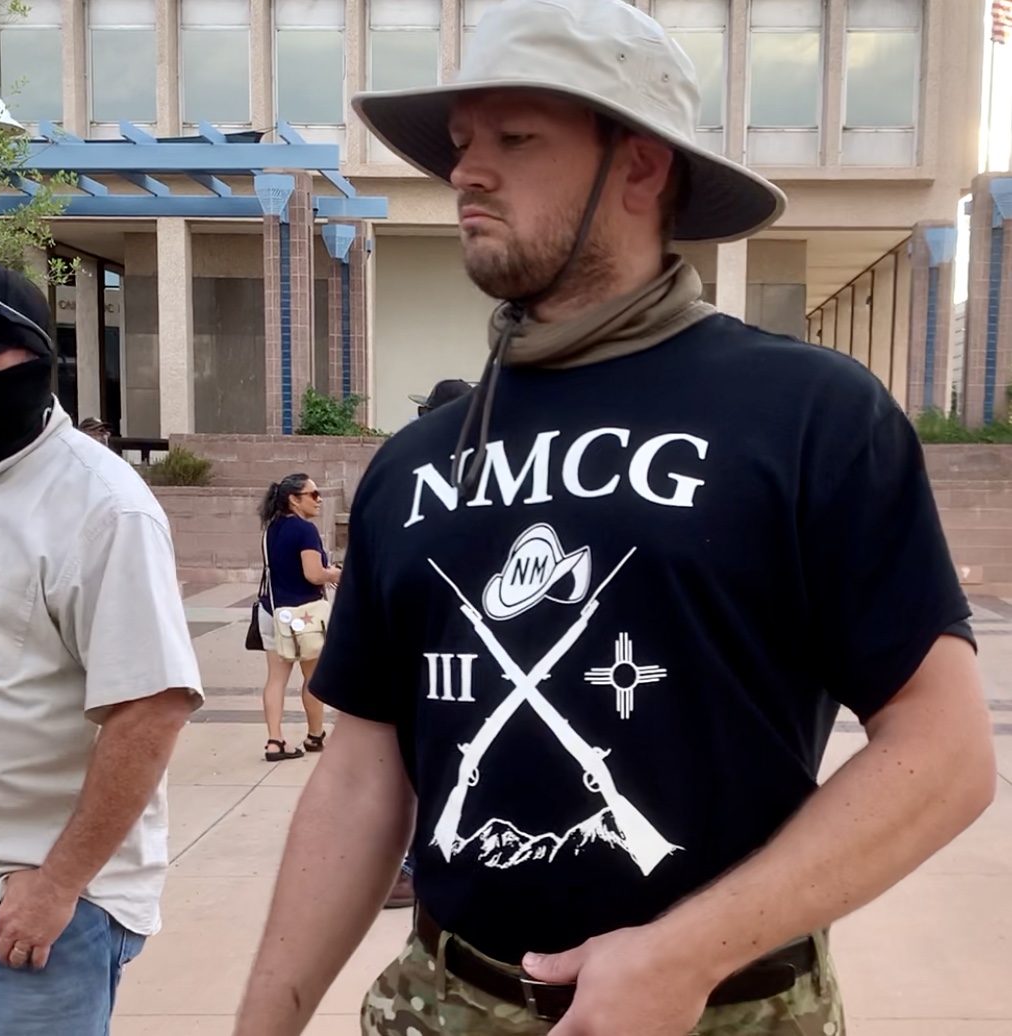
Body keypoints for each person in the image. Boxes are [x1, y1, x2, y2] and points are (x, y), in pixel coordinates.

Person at [233, 2, 997, 1035]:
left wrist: (687, 948)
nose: (467, 172)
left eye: (515, 138)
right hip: (442, 1004)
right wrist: (261, 1023)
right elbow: (362, 777)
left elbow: (943, 752)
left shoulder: (808, 414)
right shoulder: (416, 461)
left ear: (639, 169)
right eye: (461, 144)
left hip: (723, 1012)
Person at [0, 261, 203, 1035]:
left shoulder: (103, 506)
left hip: (31, 905)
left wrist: (58, 882)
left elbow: (151, 708)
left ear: (39, 361)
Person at [387, 377, 475, 910]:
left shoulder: (421, 478)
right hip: (445, 642)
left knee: (431, 763)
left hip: (444, 645)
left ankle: (414, 864)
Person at [256, 473, 341, 762]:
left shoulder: (271, 529)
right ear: (294, 499)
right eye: (313, 495)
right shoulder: (305, 531)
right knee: (312, 677)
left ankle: (274, 741)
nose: (319, 500)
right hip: (303, 616)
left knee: (276, 680)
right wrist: (338, 574)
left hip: (272, 611)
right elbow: (313, 574)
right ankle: (314, 736)